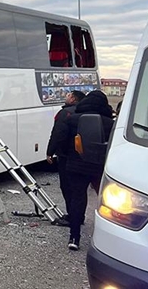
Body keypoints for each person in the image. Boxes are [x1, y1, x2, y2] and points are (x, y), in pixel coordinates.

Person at [60, 90, 114, 251]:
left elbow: (63, 140)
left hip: (76, 166)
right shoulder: (110, 124)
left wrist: (66, 157)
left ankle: (74, 237)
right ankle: (108, 237)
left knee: (77, 200)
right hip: (99, 167)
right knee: (106, 201)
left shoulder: (73, 119)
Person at [46, 89, 85, 225]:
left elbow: (58, 134)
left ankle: (72, 217)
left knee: (67, 187)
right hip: (81, 156)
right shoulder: (83, 113)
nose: (66, 97)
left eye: (68, 95)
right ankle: (79, 216)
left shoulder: (65, 113)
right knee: (79, 189)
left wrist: (50, 151)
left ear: (74, 99)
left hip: (66, 155)